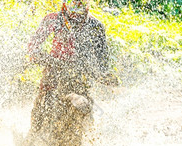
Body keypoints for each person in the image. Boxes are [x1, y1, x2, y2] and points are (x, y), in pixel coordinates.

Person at [27, 0, 117, 133]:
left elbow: (102, 64)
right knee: (40, 112)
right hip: (53, 77)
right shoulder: (53, 20)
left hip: (80, 80)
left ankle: (87, 144)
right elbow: (32, 48)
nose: (77, 4)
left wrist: (103, 76)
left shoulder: (95, 25)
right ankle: (33, 135)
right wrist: (51, 61)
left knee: (88, 112)